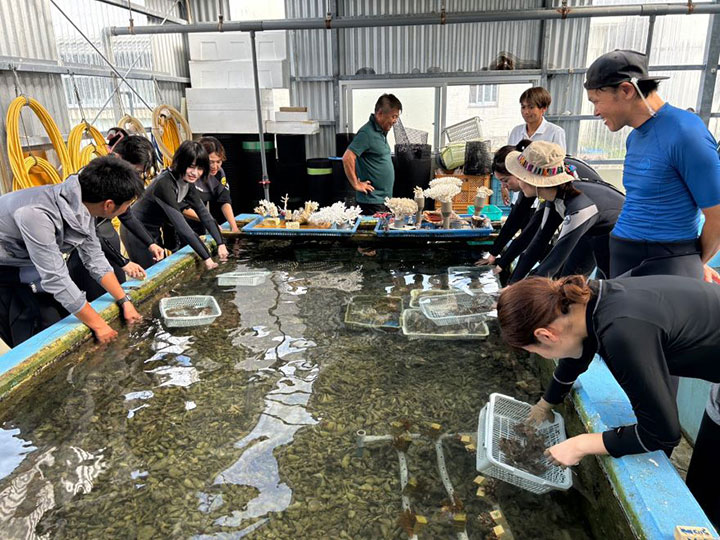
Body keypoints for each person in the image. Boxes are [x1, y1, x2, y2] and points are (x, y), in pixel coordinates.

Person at [497, 274, 720, 526]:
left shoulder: (621, 334)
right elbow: (579, 351)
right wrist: (545, 403)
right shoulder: (589, 300)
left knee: (711, 491)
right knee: (704, 479)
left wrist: (580, 445)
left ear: (546, 335)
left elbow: (662, 433)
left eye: (535, 350)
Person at [584, 49, 720, 281]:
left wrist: (692, 262)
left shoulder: (685, 133)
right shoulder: (634, 137)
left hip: (665, 260)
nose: (595, 111)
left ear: (626, 90)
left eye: (597, 101)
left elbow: (717, 215)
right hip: (623, 254)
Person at [0, 156, 144, 347]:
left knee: (61, 315)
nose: (128, 209)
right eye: (127, 204)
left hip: (27, 264)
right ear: (109, 205)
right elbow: (56, 278)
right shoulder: (36, 215)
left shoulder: (85, 206)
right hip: (5, 270)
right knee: (32, 330)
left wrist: (124, 301)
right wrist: (101, 326)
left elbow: (95, 259)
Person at [500, 141, 624, 283]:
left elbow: (555, 260)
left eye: (521, 177)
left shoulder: (579, 208)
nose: (519, 182)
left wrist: (517, 291)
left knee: (589, 284)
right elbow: (538, 243)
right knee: (564, 282)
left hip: (622, 237)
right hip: (596, 232)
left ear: (535, 182)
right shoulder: (553, 198)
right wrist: (512, 283)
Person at [68, 135, 165, 301]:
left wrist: (150, 243)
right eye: (135, 171)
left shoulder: (119, 179)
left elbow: (126, 214)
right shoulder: (92, 179)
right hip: (88, 255)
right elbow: (91, 234)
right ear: (118, 158)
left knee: (121, 298)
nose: (135, 176)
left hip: (110, 246)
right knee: (101, 302)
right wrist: (123, 261)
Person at [121, 140, 228, 270]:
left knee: (160, 268)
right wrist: (207, 259)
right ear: (180, 163)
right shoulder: (164, 184)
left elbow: (204, 214)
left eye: (200, 168)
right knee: (151, 273)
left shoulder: (187, 183)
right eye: (191, 166)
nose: (195, 173)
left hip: (153, 230)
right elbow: (182, 227)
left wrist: (221, 244)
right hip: (135, 231)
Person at [475, 140, 538, 270]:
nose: (504, 187)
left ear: (519, 173)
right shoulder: (528, 188)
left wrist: (503, 264)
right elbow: (513, 222)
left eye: (505, 181)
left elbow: (530, 235)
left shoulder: (540, 186)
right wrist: (493, 254)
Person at [503, 87, 566, 204]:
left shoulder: (555, 132)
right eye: (523, 107)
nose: (526, 112)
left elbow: (558, 166)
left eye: (531, 107)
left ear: (544, 108)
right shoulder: (516, 132)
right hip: (519, 196)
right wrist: (505, 186)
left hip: (543, 199)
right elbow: (509, 162)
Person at [342, 93, 402, 216]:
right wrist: (356, 184)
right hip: (372, 202)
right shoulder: (366, 133)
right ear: (380, 114)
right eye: (393, 116)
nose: (395, 121)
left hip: (382, 200)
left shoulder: (381, 132)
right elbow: (347, 157)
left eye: (397, 117)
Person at [180, 136, 239, 235]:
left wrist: (234, 227)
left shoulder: (219, 174)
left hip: (200, 219)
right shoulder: (189, 174)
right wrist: (209, 221)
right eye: (211, 162)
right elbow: (181, 206)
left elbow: (224, 200)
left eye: (218, 162)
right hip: (179, 221)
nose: (215, 166)